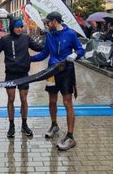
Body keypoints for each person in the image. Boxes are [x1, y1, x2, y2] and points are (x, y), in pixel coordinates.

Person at [30, 11, 84, 151]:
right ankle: (54, 125)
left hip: (66, 71)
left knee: (67, 102)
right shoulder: (49, 35)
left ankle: (70, 136)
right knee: (52, 100)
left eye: (48, 22)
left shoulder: (70, 34)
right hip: (52, 72)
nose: (47, 24)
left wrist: (75, 54)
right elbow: (44, 54)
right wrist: (28, 58)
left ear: (54, 21)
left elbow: (80, 49)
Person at [0, 16, 43, 138]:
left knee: (24, 99)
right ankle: (11, 126)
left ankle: (24, 124)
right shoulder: (5, 39)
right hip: (10, 74)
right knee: (11, 99)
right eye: (17, 27)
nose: (19, 29)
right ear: (12, 27)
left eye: (21, 26)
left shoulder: (26, 38)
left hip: (23, 74)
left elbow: (38, 47)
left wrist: (51, 42)